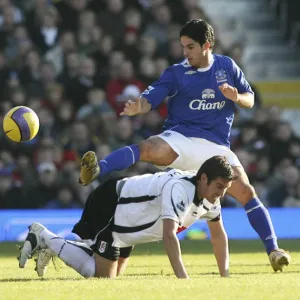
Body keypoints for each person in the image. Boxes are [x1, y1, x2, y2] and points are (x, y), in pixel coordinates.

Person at [78, 19, 291, 271]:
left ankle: (274, 250)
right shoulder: (176, 72)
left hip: (216, 147)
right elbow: (152, 97)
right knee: (148, 148)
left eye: (190, 47)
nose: (185, 52)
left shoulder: (227, 66)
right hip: (181, 138)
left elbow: (250, 99)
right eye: (183, 47)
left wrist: (237, 97)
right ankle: (99, 168)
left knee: (247, 193)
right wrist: (139, 107)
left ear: (206, 45)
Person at [19, 156, 236, 279]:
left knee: (115, 275)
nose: (221, 194)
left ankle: (53, 246)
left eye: (225, 188)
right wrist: (183, 280)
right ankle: (44, 236)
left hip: (129, 223)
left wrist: (225, 275)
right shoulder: (180, 189)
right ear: (204, 178)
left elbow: (218, 236)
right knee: (101, 277)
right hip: (111, 205)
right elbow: (169, 236)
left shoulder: (210, 197)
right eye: (219, 186)